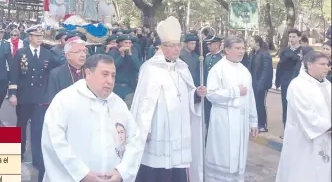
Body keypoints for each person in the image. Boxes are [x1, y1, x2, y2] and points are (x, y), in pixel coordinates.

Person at [41, 54, 144, 182]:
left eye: (113, 75)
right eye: (105, 74)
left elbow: (134, 139)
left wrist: (121, 172)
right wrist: (82, 174)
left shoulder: (118, 104)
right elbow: (53, 141)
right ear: (88, 73)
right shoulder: (65, 100)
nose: (110, 81)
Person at [131, 16, 207, 182]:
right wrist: (145, 128)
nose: (176, 49)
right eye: (172, 46)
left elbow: (186, 95)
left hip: (179, 129)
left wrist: (195, 94)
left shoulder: (182, 68)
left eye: (178, 45)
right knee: (155, 168)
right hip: (159, 127)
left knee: (177, 168)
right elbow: (143, 102)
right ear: (161, 47)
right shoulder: (150, 68)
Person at [205, 36, 258, 182]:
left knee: (238, 157)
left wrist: (253, 121)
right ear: (227, 50)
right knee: (224, 155)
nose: (241, 51)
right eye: (237, 48)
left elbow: (250, 96)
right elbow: (211, 94)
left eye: (243, 48)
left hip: (240, 120)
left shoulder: (244, 70)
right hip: (223, 121)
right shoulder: (218, 69)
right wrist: (234, 91)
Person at [275, 52, 331, 182]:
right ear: (309, 65)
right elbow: (306, 114)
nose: (326, 68)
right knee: (304, 172)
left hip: (326, 137)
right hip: (303, 139)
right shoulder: (298, 86)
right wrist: (329, 126)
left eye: (327, 64)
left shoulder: (327, 85)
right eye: (322, 64)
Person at [8, 26, 53, 181]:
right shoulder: (21, 53)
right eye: (36, 36)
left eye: (41, 36)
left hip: (40, 98)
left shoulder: (48, 53)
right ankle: (18, 152)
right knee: (21, 125)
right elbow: (13, 74)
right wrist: (12, 94)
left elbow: (52, 73)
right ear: (29, 37)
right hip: (24, 96)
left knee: (38, 129)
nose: (39, 38)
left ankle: (37, 157)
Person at [44, 37, 87, 103]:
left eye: (84, 51)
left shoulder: (91, 71)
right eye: (78, 52)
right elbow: (52, 101)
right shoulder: (56, 74)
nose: (83, 55)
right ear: (68, 55)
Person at [276, 28, 303, 129]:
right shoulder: (284, 51)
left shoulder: (303, 51)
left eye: (294, 37)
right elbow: (279, 66)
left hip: (299, 84)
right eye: (290, 37)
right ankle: (286, 129)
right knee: (286, 106)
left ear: (299, 37)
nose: (291, 39)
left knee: (298, 107)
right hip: (285, 83)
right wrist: (277, 80)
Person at [248, 35, 273, 132]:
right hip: (253, 82)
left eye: (251, 40)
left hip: (260, 84)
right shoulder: (252, 53)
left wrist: (261, 84)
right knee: (254, 104)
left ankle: (262, 125)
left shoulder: (265, 54)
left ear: (257, 42)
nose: (249, 42)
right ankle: (255, 123)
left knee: (260, 104)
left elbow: (266, 71)